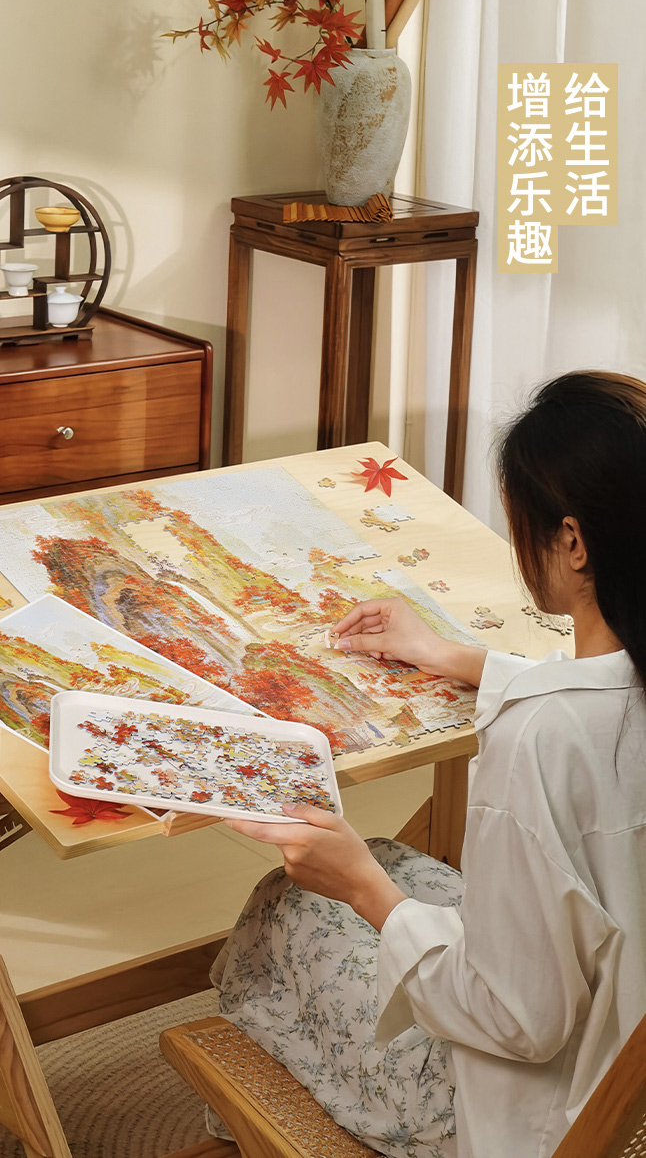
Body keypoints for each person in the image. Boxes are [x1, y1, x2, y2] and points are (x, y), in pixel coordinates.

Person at [210, 370, 646, 1158]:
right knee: (388, 860)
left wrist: (364, 890)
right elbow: (603, 699)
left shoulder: (540, 740)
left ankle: (246, 1119)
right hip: (626, 1074)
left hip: (543, 1119)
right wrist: (453, 655)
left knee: (291, 902)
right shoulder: (583, 710)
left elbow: (518, 1021)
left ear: (573, 541)